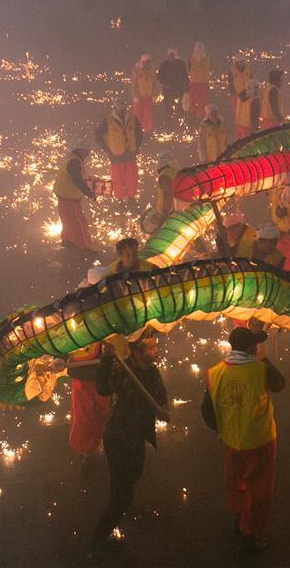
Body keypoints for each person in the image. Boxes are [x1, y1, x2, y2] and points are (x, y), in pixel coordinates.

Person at [201, 327, 286, 551]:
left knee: (236, 482)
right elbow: (280, 384)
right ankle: (251, 535)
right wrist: (265, 358)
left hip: (231, 440)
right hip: (260, 440)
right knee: (258, 489)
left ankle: (238, 519)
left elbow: (206, 410)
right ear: (252, 348)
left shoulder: (215, 372)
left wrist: (222, 429)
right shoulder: (261, 370)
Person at [93, 335, 169, 548]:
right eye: (151, 348)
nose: (156, 350)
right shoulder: (122, 370)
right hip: (118, 436)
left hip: (137, 435)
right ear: (137, 352)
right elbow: (103, 388)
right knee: (121, 491)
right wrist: (107, 360)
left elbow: (160, 393)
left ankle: (126, 501)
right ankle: (99, 538)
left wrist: (164, 408)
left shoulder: (152, 371)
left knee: (135, 472)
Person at [69, 266, 113, 474]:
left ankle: (99, 446)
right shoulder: (76, 308)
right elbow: (65, 337)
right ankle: (88, 452)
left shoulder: (113, 306)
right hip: (83, 371)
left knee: (104, 412)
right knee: (85, 415)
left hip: (104, 369)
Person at [54, 138, 97, 252]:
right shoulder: (74, 161)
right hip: (70, 198)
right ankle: (83, 247)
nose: (88, 153)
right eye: (87, 151)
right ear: (80, 150)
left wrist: (89, 178)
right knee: (79, 223)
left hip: (64, 196)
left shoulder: (71, 158)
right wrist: (89, 193)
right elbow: (77, 180)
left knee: (68, 221)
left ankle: (67, 240)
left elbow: (78, 176)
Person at [96, 104, 142, 203]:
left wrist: (137, 147)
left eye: (123, 110)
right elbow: (97, 135)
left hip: (130, 154)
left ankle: (131, 198)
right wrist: (107, 149)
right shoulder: (107, 121)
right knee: (118, 179)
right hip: (116, 155)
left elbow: (139, 133)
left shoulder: (132, 118)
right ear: (115, 109)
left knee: (132, 178)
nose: (122, 112)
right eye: (120, 110)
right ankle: (120, 199)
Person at [157, 48, 189, 123]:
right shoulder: (164, 64)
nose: (171, 57)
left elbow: (185, 76)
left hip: (179, 89)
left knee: (179, 108)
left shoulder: (181, 64)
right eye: (170, 55)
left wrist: (187, 87)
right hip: (168, 90)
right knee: (168, 107)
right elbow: (159, 77)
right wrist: (165, 84)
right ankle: (169, 122)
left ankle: (179, 122)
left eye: (172, 55)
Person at [131, 54, 157, 132]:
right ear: (143, 62)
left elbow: (155, 84)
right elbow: (133, 84)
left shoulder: (153, 71)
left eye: (149, 62)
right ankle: (136, 130)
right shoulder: (137, 71)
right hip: (139, 97)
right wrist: (135, 96)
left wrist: (154, 95)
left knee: (148, 116)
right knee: (137, 115)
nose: (147, 64)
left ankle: (147, 131)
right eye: (146, 62)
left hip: (148, 97)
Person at [188, 42, 211, 120]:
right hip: (195, 83)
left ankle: (200, 117)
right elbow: (189, 68)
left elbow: (209, 68)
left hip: (203, 83)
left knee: (202, 102)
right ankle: (193, 117)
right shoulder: (191, 58)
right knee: (193, 100)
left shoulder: (207, 58)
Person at [227, 56, 251, 124]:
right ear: (236, 63)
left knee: (246, 111)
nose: (242, 63)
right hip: (236, 94)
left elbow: (251, 81)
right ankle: (238, 123)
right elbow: (230, 83)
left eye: (243, 62)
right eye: (240, 62)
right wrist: (233, 93)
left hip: (246, 94)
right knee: (237, 110)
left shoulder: (248, 70)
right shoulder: (232, 70)